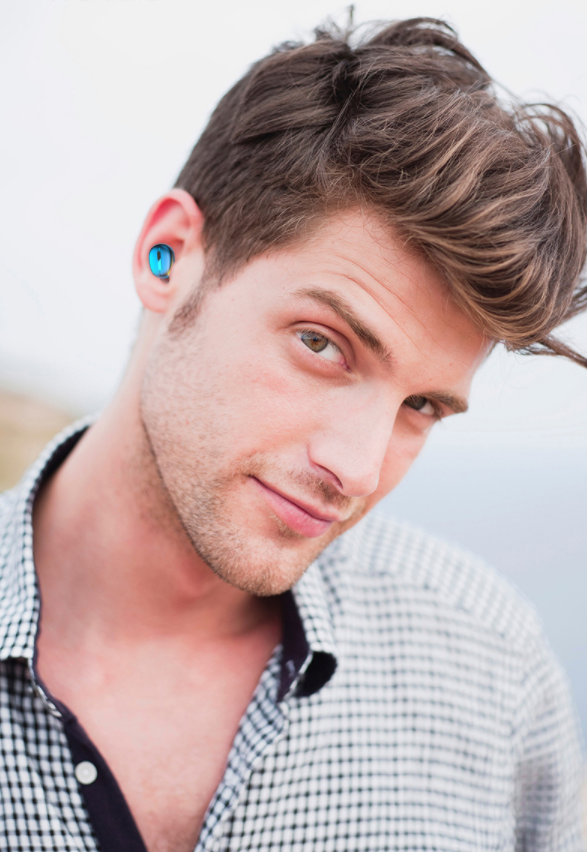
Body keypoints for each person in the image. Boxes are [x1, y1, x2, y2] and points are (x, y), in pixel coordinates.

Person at [1, 15, 586, 852]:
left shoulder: (490, 665)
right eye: (321, 344)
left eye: (421, 406)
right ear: (169, 255)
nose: (356, 469)